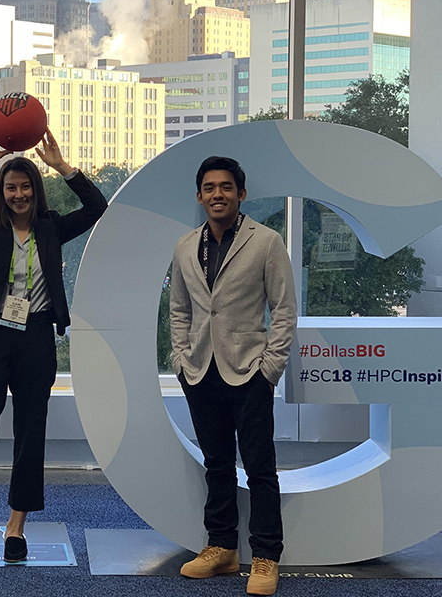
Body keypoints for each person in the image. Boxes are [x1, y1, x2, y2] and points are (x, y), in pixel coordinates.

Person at [0, 128, 107, 565]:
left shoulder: (52, 228)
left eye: (25, 187)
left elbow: (97, 206)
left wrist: (61, 166)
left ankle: (16, 526)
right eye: (11, 187)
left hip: (35, 336)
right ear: (3, 192)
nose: (18, 194)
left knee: (29, 432)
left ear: (36, 191)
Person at [169, 156, 297, 596]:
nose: (217, 194)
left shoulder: (267, 242)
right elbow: (180, 308)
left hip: (250, 372)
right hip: (201, 370)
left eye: (226, 187)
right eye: (209, 187)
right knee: (217, 464)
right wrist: (182, 359)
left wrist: (271, 369)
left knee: (260, 468)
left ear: (241, 194)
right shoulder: (186, 246)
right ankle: (222, 546)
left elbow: (283, 311)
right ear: (200, 195)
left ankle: (265, 556)